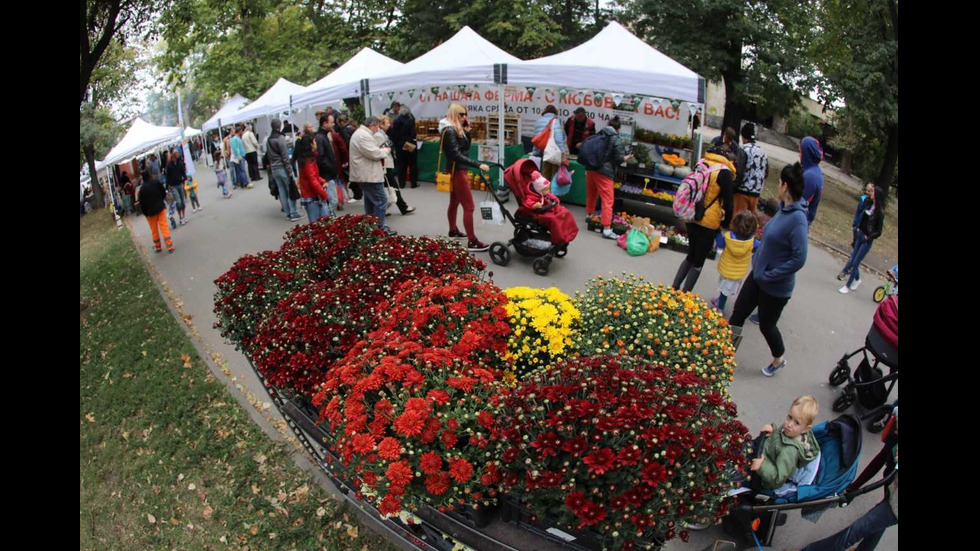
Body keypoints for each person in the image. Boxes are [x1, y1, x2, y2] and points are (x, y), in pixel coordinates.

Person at [728, 162, 808, 376]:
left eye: (780, 183)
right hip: (758, 276)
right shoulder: (783, 209)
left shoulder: (798, 220)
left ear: (785, 186)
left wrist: (771, 274)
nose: (778, 187)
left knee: (767, 325)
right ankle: (724, 353)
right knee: (738, 313)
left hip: (775, 287)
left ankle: (779, 358)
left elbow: (799, 258)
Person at [795, 407, 897, 551]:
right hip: (892, 489)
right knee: (878, 522)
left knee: (856, 530)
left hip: (896, 504)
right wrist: (854, 487)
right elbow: (881, 457)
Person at [671, 145, 736, 291]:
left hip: (692, 215)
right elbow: (729, 204)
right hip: (709, 223)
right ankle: (685, 294)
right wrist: (724, 224)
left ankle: (674, 288)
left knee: (691, 255)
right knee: (699, 261)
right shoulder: (724, 172)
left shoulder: (702, 164)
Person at [442, 103, 491, 251]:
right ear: (454, 114)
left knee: (455, 202)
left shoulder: (456, 129)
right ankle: (472, 241)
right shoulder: (450, 130)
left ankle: (453, 229)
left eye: (465, 114)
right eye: (461, 114)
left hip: (457, 170)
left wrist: (467, 131)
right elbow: (455, 155)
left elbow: (465, 147)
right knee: (469, 207)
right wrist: (478, 164)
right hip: (457, 171)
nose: (464, 117)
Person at [749, 395, 820, 491]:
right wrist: (773, 430)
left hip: (763, 477)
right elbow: (780, 436)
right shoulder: (789, 431)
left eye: (797, 423)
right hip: (762, 453)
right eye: (789, 417)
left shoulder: (789, 451)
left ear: (805, 429)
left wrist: (761, 466)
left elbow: (778, 479)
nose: (789, 424)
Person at [585, 116, 632, 239]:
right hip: (604, 172)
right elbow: (619, 158)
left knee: (592, 193)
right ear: (618, 129)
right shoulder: (615, 138)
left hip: (590, 168)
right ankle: (606, 229)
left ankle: (589, 215)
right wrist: (626, 157)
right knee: (607, 200)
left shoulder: (600, 134)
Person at [711, 210, 760, 314]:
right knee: (725, 289)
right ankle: (719, 300)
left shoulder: (728, 237)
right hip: (737, 273)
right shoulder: (753, 243)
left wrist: (717, 233)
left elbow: (719, 244)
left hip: (726, 269)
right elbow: (760, 246)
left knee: (724, 290)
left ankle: (720, 309)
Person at [838, 185, 885, 294]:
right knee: (853, 259)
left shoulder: (880, 212)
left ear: (877, 195)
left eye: (872, 192)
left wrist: (868, 237)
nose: (870, 193)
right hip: (859, 234)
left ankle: (847, 286)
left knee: (855, 262)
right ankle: (857, 280)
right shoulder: (869, 204)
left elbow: (879, 231)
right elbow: (862, 216)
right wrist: (858, 228)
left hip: (866, 240)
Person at [349, 116, 392, 232]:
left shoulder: (361, 133)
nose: (377, 130)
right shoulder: (363, 135)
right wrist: (386, 151)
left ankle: (371, 227)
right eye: (377, 127)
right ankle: (379, 228)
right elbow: (374, 153)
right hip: (368, 175)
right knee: (381, 201)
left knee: (370, 201)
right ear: (372, 125)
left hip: (367, 174)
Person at [523, 170, 578, 245]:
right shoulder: (532, 196)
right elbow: (527, 202)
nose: (548, 191)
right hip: (539, 213)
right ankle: (558, 238)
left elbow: (550, 195)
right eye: (546, 189)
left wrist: (555, 200)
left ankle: (569, 232)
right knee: (555, 219)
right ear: (539, 190)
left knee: (565, 212)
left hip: (548, 208)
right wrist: (534, 205)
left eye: (549, 188)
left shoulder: (544, 193)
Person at [293, 122, 332, 222]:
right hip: (312, 197)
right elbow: (313, 181)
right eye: (314, 142)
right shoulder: (308, 162)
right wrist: (324, 194)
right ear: (310, 145)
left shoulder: (307, 160)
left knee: (318, 222)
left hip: (311, 195)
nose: (316, 143)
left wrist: (322, 181)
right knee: (316, 223)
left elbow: (314, 177)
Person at [378, 115, 416, 216]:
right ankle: (403, 207)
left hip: (386, 164)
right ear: (381, 124)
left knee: (386, 188)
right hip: (384, 165)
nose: (389, 124)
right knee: (392, 187)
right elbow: (382, 149)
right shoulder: (379, 135)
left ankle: (382, 209)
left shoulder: (383, 133)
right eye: (387, 123)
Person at [267, 119, 301, 221]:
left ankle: (288, 213)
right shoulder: (280, 137)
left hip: (274, 168)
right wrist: (290, 170)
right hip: (282, 167)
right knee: (290, 189)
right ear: (280, 125)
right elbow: (284, 155)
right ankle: (293, 212)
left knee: (282, 191)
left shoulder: (269, 139)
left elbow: (269, 154)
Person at [735, 123, 768, 214]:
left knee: (737, 222)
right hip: (756, 194)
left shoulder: (744, 150)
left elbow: (739, 172)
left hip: (742, 192)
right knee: (750, 224)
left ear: (743, 137)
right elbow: (766, 173)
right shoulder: (763, 152)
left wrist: (733, 188)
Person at [138, 170, 174, 253]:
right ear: (150, 175)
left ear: (143, 178)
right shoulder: (156, 182)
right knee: (164, 227)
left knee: (154, 230)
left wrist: (145, 213)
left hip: (150, 213)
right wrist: (160, 200)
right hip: (160, 208)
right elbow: (163, 192)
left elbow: (142, 203)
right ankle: (169, 246)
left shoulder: (142, 189)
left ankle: (158, 247)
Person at [531, 105, 569, 181]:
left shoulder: (539, 121)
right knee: (554, 174)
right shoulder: (555, 121)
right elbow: (558, 138)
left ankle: (545, 190)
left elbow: (536, 137)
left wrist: (535, 151)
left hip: (542, 149)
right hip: (552, 150)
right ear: (555, 112)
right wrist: (563, 152)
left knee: (545, 172)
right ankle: (551, 191)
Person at [314, 115, 341, 215]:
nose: (333, 124)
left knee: (331, 200)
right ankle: (328, 221)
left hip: (328, 174)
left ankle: (329, 220)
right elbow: (320, 158)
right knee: (332, 200)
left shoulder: (324, 136)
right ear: (324, 123)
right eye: (331, 122)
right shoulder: (320, 138)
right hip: (326, 175)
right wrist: (331, 168)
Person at [324, 113, 349, 210]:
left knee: (336, 183)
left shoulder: (333, 136)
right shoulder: (334, 136)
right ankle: (341, 200)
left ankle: (340, 201)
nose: (333, 124)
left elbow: (343, 148)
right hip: (336, 163)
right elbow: (343, 148)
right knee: (338, 183)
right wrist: (345, 161)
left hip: (335, 164)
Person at [390, 106, 419, 189]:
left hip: (399, 146)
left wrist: (395, 144)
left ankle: (401, 184)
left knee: (401, 165)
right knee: (412, 165)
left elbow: (394, 134)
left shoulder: (396, 121)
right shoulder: (410, 120)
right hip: (409, 145)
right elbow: (413, 133)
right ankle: (413, 183)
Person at [801, 136, 824, 225]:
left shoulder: (811, 176)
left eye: (801, 151)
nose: (800, 155)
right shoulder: (814, 172)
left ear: (807, 153)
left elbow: (798, 204)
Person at [165, 147, 188, 225]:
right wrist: (166, 188)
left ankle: (184, 217)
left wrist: (185, 179)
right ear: (173, 155)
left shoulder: (180, 163)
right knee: (178, 202)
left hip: (180, 183)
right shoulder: (169, 165)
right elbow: (167, 177)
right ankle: (180, 217)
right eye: (177, 153)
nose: (178, 154)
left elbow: (183, 172)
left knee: (182, 201)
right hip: (173, 186)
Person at [231, 125, 252, 189]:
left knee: (241, 170)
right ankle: (245, 182)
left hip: (242, 155)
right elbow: (235, 148)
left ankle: (243, 182)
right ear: (239, 131)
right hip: (240, 156)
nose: (242, 132)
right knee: (242, 170)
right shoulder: (235, 139)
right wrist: (238, 156)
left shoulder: (238, 138)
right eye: (241, 131)